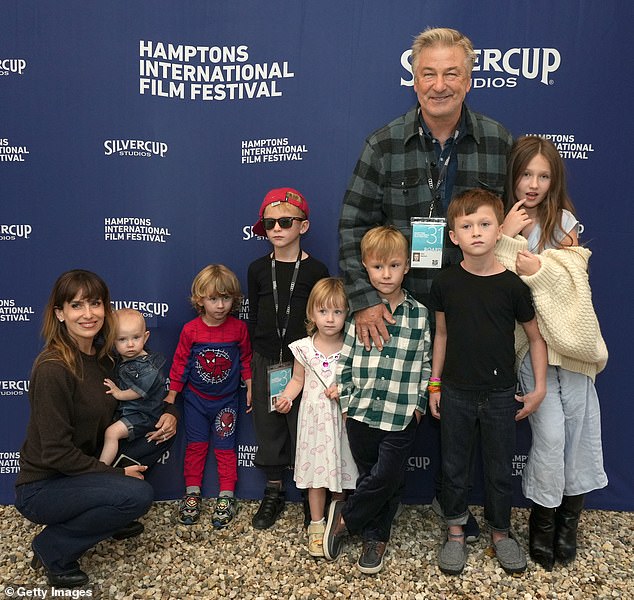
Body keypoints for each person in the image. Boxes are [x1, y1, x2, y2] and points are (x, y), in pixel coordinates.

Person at [338, 26, 513, 541]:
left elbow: (528, 211)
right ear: (413, 80)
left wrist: (563, 236)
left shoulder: (499, 142)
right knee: (393, 422)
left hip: (475, 308)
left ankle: (454, 504)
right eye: (428, 73)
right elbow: (353, 224)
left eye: (451, 73)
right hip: (404, 311)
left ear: (470, 78)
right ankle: (376, 515)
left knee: (463, 415)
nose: (440, 84)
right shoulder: (384, 143)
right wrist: (366, 300)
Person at [14, 270, 177, 588]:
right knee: (138, 495)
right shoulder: (53, 369)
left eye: (95, 303)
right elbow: (58, 454)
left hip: (85, 466)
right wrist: (116, 477)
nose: (88, 314)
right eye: (76, 305)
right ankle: (52, 549)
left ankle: (108, 509)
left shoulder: (106, 358)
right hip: (45, 486)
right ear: (60, 313)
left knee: (158, 434)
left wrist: (170, 412)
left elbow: (145, 397)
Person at [496, 136, 608, 571]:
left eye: (543, 176)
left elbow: (574, 279)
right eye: (526, 174)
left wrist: (540, 267)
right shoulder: (507, 219)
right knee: (550, 435)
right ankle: (541, 524)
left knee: (580, 431)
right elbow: (501, 282)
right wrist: (507, 237)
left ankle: (568, 523)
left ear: (553, 180)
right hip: (532, 349)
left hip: (573, 348)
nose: (533, 184)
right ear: (514, 175)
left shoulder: (564, 221)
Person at [427, 189, 548, 575]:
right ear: (453, 236)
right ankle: (456, 531)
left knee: (498, 469)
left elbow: (534, 337)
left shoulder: (513, 286)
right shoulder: (445, 284)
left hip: (500, 395)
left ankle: (501, 532)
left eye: (484, 224)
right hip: (456, 392)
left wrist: (540, 387)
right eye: (466, 226)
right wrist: (435, 383)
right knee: (454, 466)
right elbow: (441, 335)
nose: (476, 232)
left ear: (500, 232)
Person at [323, 226, 431, 574]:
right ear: (365, 269)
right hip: (362, 411)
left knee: (385, 476)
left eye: (394, 266)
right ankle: (374, 530)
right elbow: (348, 358)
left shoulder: (419, 314)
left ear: (407, 267)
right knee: (375, 475)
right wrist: (349, 401)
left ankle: (350, 522)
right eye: (378, 267)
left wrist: (417, 406)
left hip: (401, 413)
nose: (386, 274)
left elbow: (426, 361)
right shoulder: (360, 313)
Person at [247, 187, 329, 530]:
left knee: (305, 427)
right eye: (269, 224)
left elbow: (324, 318)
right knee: (268, 429)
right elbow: (253, 320)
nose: (276, 229)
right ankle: (274, 491)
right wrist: (252, 373)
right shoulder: (256, 269)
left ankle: (314, 497)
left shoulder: (317, 270)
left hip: (305, 363)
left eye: (285, 221)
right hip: (267, 359)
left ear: (303, 226)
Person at [275, 277, 358, 557]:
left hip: (341, 422)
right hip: (313, 423)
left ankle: (337, 524)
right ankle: (315, 525)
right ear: (312, 314)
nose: (331, 319)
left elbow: (358, 380)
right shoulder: (303, 348)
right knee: (316, 477)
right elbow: (297, 380)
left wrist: (343, 388)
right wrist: (286, 396)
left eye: (338, 312)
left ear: (348, 313)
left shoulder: (352, 346)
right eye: (323, 312)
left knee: (340, 475)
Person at [166, 264, 252, 529]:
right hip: (195, 401)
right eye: (213, 299)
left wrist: (250, 385)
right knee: (196, 447)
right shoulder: (191, 330)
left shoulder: (238, 329)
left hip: (227, 402)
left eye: (226, 298)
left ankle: (227, 495)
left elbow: (247, 359)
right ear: (200, 300)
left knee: (226, 449)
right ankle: (192, 493)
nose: (220, 305)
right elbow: (180, 364)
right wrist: (171, 399)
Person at [100, 309, 169, 465]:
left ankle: (101, 469)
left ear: (145, 337)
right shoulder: (121, 359)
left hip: (143, 416)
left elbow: (138, 391)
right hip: (129, 413)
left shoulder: (148, 367)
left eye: (136, 338)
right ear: (112, 341)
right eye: (122, 339)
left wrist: (118, 394)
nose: (130, 344)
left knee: (111, 433)